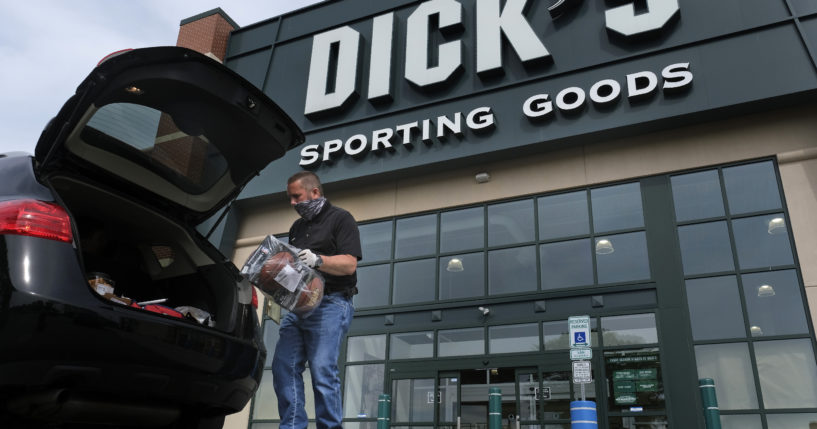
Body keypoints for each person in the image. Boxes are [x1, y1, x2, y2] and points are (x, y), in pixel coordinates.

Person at [272, 171, 362, 429]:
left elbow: (349, 265)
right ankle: (292, 426)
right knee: (283, 368)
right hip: (299, 307)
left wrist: (318, 260)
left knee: (322, 370)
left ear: (314, 192)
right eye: (289, 198)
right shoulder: (297, 228)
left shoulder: (341, 219)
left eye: (296, 196)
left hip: (332, 304)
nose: (292, 203)